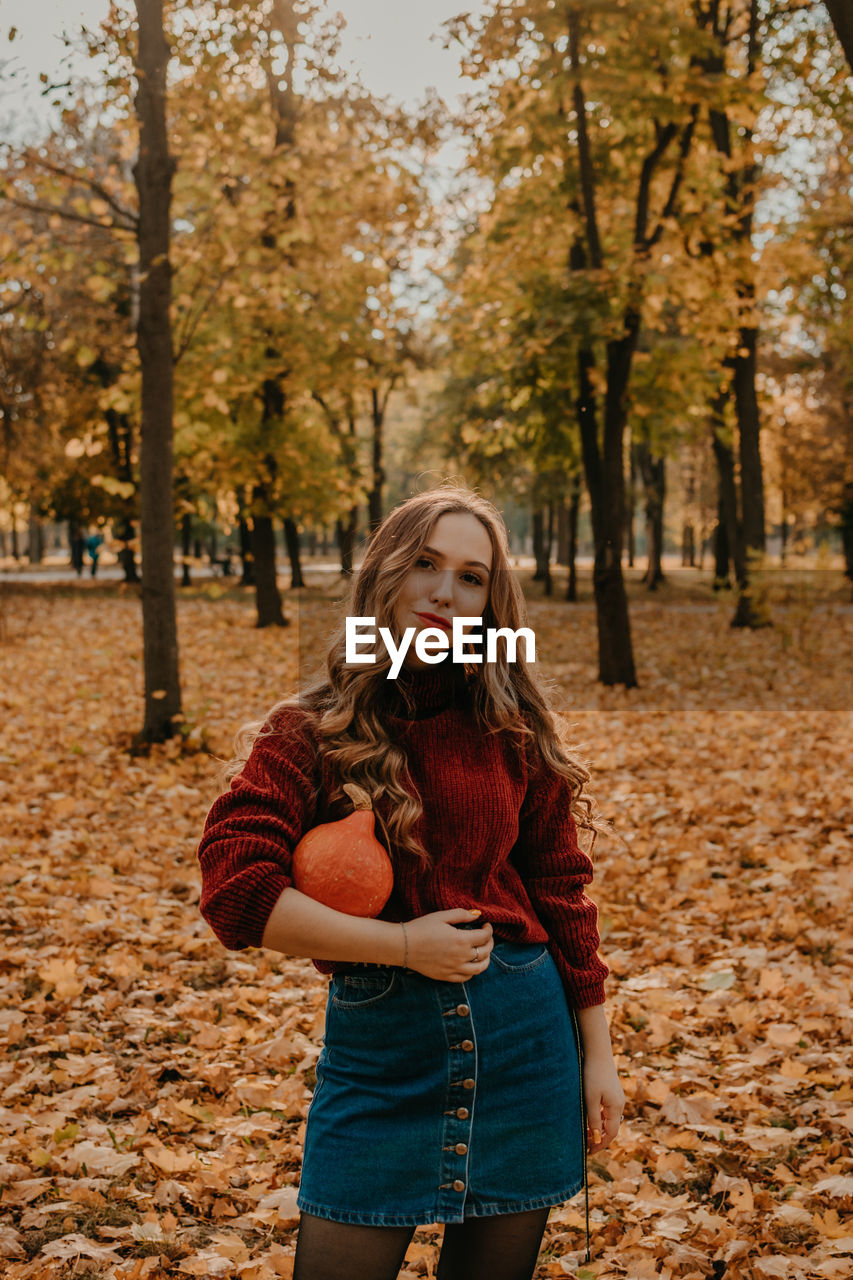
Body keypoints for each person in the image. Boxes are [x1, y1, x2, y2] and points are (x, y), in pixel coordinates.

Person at [196, 486, 624, 1280]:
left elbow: (561, 888)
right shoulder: (311, 728)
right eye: (425, 564)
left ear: (489, 604)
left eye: (471, 578)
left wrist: (596, 1053)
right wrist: (398, 944)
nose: (443, 591)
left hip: (525, 1047)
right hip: (382, 1059)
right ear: (383, 574)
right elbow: (233, 889)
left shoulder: (511, 727)